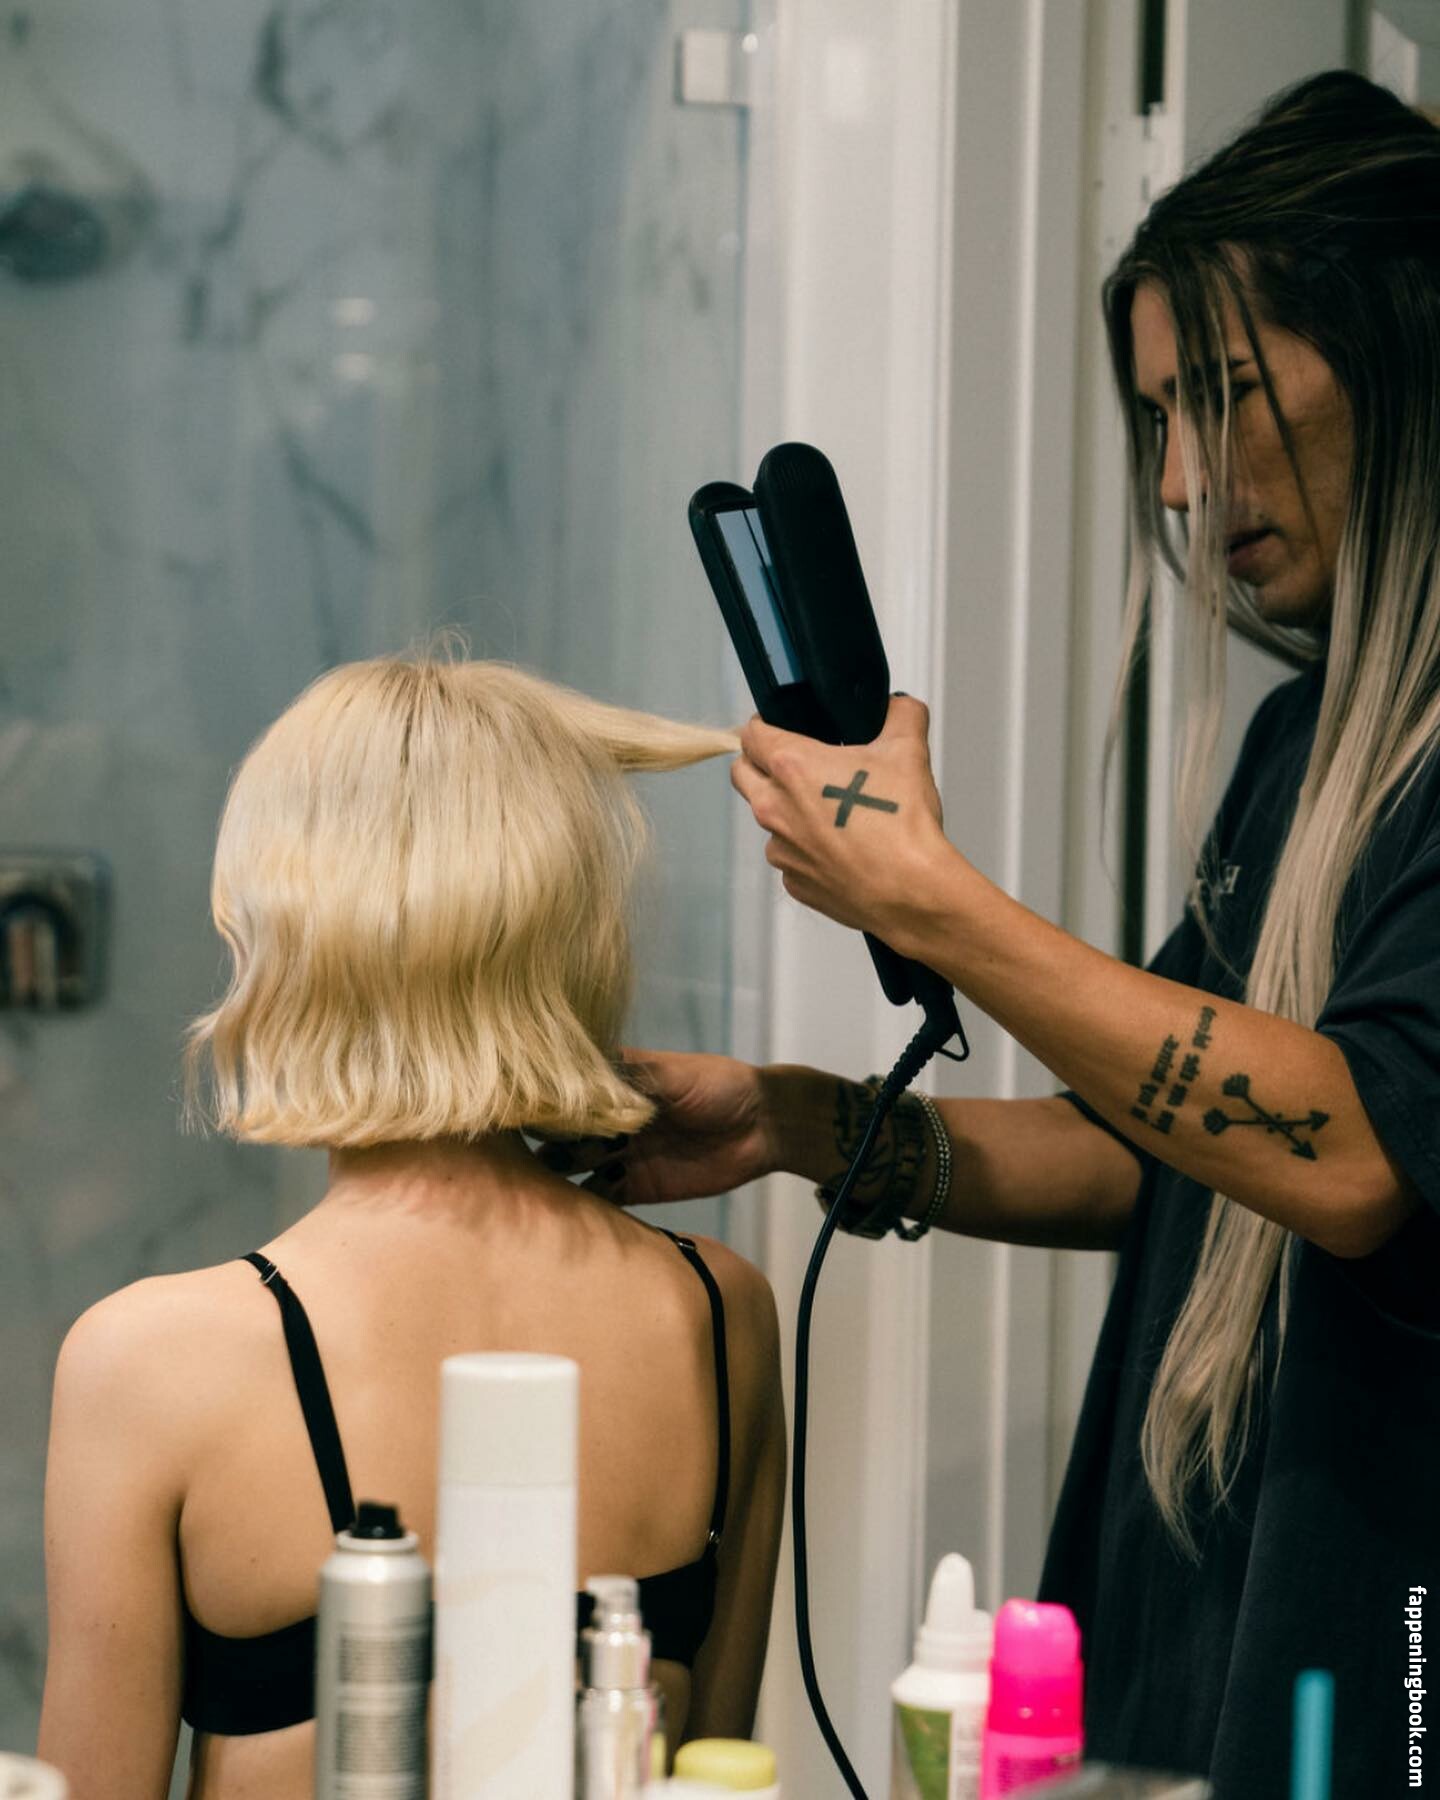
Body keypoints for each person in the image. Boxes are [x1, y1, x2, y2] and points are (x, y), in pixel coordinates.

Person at [565, 73, 1440, 1797]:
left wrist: (937, 907)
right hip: (1202, 1613)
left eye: (1221, 397)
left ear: (1405, 352)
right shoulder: (1302, 749)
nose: (1180, 481)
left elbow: (1351, 1154)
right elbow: (1160, 1149)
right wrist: (809, 1125)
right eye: (1159, 419)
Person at [36, 655, 786, 1800]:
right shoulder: (716, 1312)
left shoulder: (148, 1360)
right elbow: (715, 1773)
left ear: (278, 939)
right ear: (578, 938)